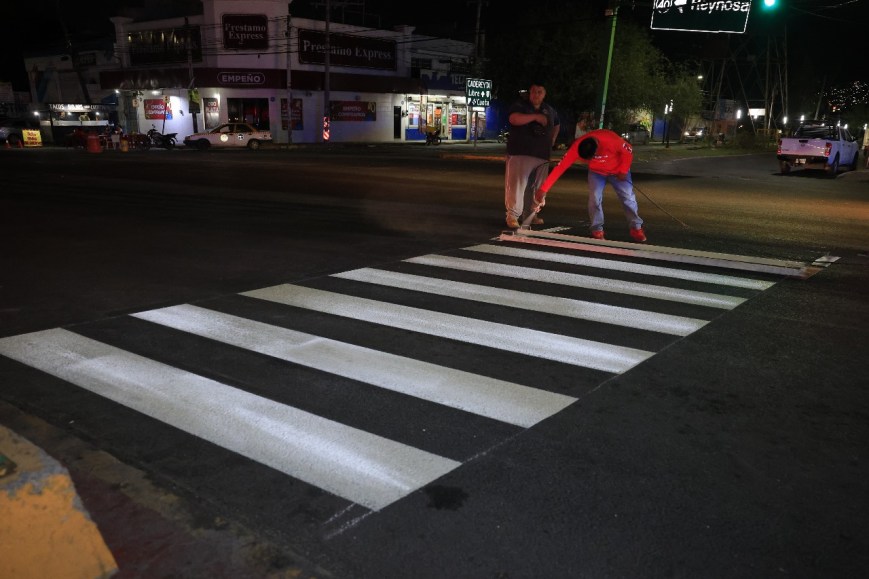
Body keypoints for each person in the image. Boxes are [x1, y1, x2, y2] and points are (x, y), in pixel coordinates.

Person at [532, 128, 646, 242]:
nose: (590, 160)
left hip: (618, 171)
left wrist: (623, 170)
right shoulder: (578, 146)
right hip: (597, 172)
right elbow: (560, 167)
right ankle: (597, 229)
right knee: (595, 198)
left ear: (597, 149)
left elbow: (628, 151)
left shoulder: (611, 140)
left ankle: (636, 228)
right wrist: (543, 190)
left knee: (628, 197)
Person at [504, 82, 560, 229]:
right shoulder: (520, 106)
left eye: (539, 92)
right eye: (534, 92)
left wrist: (553, 139)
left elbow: (557, 124)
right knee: (517, 185)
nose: (536, 95)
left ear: (544, 94)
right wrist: (535, 117)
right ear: (530, 93)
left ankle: (531, 214)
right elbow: (513, 119)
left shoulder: (549, 109)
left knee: (538, 187)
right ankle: (512, 216)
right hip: (520, 152)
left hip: (542, 154)